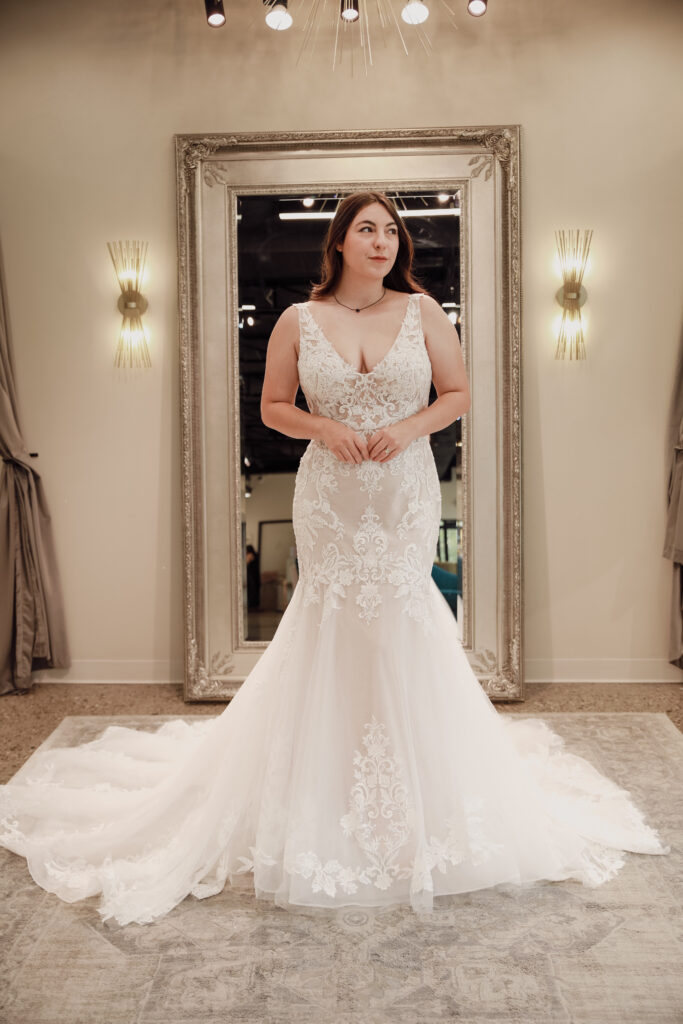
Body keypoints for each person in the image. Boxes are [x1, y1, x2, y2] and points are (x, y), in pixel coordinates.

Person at [0, 192, 669, 926]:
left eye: (391, 231)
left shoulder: (422, 312)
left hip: (403, 492)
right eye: (366, 229)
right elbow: (272, 406)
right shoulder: (296, 320)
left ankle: (418, 786)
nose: (381, 241)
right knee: (333, 619)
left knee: (402, 618)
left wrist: (409, 424)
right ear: (340, 242)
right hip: (331, 495)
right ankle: (321, 780)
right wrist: (325, 427)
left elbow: (458, 393)